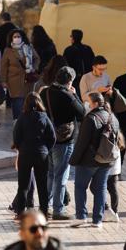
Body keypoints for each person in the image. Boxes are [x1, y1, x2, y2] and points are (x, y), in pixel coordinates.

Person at [40, 67, 85, 220]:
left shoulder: (44, 92)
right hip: (64, 140)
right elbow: (82, 114)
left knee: (51, 174)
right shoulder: (68, 96)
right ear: (70, 81)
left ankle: (44, 206)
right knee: (61, 175)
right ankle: (58, 209)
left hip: (47, 139)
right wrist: (75, 94)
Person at [69, 92, 120, 228]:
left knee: (80, 187)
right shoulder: (113, 117)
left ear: (96, 104)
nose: (87, 105)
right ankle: (97, 219)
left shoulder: (90, 118)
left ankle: (81, 216)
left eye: (89, 102)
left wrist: (73, 160)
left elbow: (82, 143)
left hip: (88, 161)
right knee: (100, 188)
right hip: (106, 160)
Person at [12, 92, 56, 218]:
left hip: (25, 154)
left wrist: (21, 148)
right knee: (42, 184)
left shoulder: (22, 117)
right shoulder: (44, 117)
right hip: (41, 154)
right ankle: (44, 211)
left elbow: (16, 137)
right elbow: (52, 137)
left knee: (23, 185)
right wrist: (46, 149)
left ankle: (20, 212)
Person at [0, 29, 40, 120]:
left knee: (27, 102)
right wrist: (3, 81)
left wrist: (33, 68)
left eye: (19, 36)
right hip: (14, 82)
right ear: (11, 39)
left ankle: (26, 122)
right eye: (15, 37)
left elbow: (37, 59)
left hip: (28, 81)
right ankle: (17, 122)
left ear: (22, 38)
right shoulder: (8, 51)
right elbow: (4, 67)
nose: (17, 38)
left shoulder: (29, 47)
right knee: (17, 103)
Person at [62, 29, 95, 95]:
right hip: (87, 80)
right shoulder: (87, 49)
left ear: (73, 38)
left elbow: (65, 66)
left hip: (74, 80)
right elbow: (94, 63)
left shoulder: (69, 50)